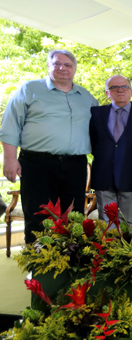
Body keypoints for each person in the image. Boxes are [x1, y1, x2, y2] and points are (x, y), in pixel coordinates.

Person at [0, 50, 99, 243]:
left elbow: (106, 120)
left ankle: (70, 265)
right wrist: (9, 159)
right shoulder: (29, 89)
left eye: (68, 65)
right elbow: (10, 125)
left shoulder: (86, 97)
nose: (62, 68)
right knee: (38, 217)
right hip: (37, 164)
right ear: (48, 66)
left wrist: (130, 105)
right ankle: (37, 268)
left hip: (75, 165)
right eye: (57, 64)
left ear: (75, 69)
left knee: (74, 217)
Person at [90, 75, 132, 227]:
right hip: (103, 175)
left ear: (131, 91)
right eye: (114, 87)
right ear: (107, 93)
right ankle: (108, 251)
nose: (120, 90)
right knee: (106, 223)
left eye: (124, 87)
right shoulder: (95, 113)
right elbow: (91, 141)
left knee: (130, 222)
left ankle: (127, 251)